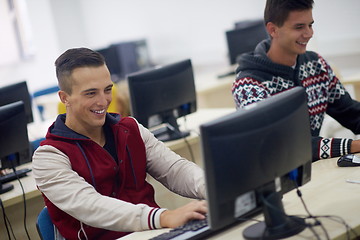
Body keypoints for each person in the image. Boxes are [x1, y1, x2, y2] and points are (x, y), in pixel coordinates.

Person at [32, 47, 207, 240]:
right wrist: (163, 217)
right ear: (65, 98)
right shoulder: (48, 157)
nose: (103, 101)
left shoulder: (130, 129)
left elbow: (175, 169)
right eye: (91, 93)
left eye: (107, 90)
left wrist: (214, 189)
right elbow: (92, 206)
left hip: (155, 234)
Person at [232, 0, 360, 161]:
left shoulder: (316, 65)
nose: (309, 33)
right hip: (272, 179)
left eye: (310, 25)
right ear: (273, 30)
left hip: (310, 171)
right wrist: (354, 145)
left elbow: (351, 112)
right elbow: (283, 146)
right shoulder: (249, 84)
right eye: (299, 27)